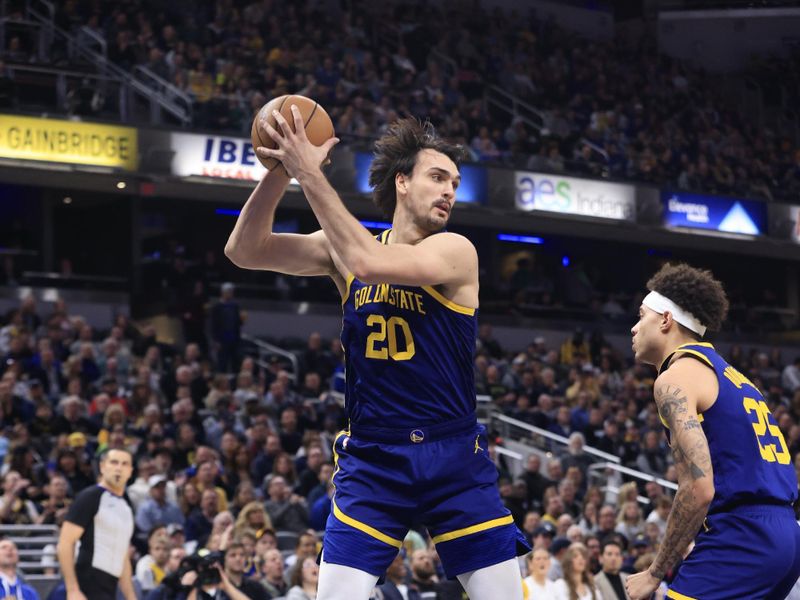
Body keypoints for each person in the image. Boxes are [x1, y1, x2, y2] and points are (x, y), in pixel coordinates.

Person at [226, 114, 528, 600]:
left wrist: (310, 173)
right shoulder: (343, 250)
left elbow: (371, 263)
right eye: (437, 177)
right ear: (402, 183)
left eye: (455, 182)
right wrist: (280, 171)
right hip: (374, 457)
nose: (449, 190)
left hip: (452, 455)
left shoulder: (455, 250)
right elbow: (245, 250)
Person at [625, 263, 800, 600]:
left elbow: (699, 487)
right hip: (785, 534)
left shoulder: (675, 378)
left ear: (665, 320)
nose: (633, 328)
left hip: (743, 536)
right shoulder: (734, 377)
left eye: (641, 316)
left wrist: (654, 572)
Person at [56, 448, 137, 600]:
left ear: (130, 471)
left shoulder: (126, 508)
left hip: (109, 588)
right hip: (84, 584)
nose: (119, 467)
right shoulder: (90, 497)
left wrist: (131, 597)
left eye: (124, 464)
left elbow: (123, 557)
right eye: (114, 462)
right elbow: (65, 543)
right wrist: (72, 589)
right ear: (102, 467)